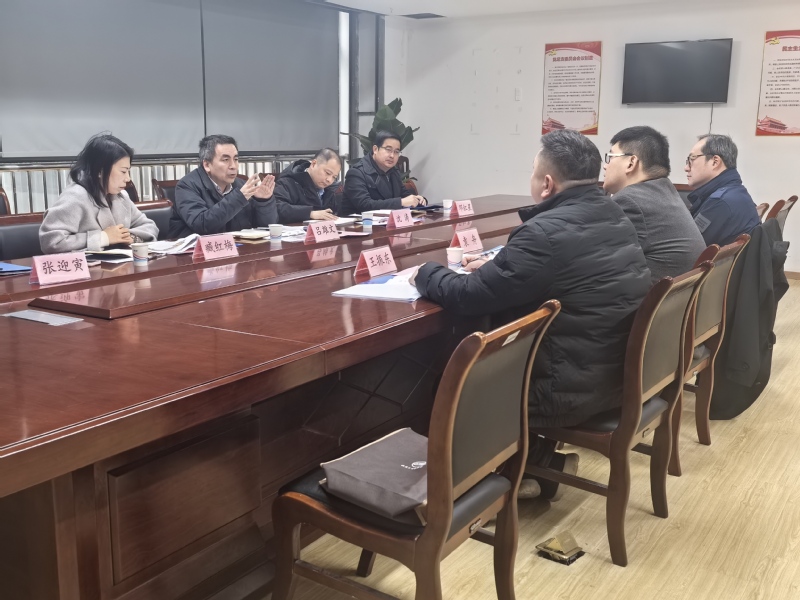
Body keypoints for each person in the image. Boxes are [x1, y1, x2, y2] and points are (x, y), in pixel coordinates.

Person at [410, 130, 651, 499]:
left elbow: (469, 296)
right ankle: (537, 468)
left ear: (547, 184)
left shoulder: (543, 233)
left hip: (565, 388)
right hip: (613, 374)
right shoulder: (613, 213)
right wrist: (500, 268)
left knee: (449, 384)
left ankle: (475, 485)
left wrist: (425, 272)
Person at [603, 126, 706, 283]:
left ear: (631, 162)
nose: (605, 165)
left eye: (610, 157)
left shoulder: (629, 201)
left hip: (649, 297)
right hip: (675, 295)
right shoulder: (664, 190)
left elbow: (600, 265)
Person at [40, 134, 158, 254]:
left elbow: (149, 226)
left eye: (128, 171)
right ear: (100, 171)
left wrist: (130, 237)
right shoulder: (75, 196)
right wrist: (103, 238)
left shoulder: (121, 196)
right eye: (123, 171)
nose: (128, 178)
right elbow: (52, 242)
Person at [168, 135, 276, 238]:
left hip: (237, 247)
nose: (233, 166)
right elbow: (201, 225)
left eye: (236, 159)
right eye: (225, 160)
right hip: (194, 249)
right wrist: (239, 198)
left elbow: (264, 228)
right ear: (207, 165)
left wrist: (263, 202)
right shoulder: (186, 186)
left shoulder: (240, 185)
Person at [684, 134, 760, 246]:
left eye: (692, 159)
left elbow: (689, 248)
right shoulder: (735, 192)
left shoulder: (720, 202)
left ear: (715, 162)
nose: (686, 168)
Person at [341, 131, 426, 214]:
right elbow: (365, 205)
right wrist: (400, 202)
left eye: (396, 152)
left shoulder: (394, 172)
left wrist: (418, 199)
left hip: (385, 221)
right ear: (375, 149)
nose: (392, 155)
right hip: (357, 222)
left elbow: (404, 195)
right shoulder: (356, 173)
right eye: (388, 150)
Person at [274, 148, 342, 223]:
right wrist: (310, 213)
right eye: (327, 173)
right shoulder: (287, 182)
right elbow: (277, 208)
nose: (329, 180)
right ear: (313, 164)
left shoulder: (330, 189)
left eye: (334, 177)